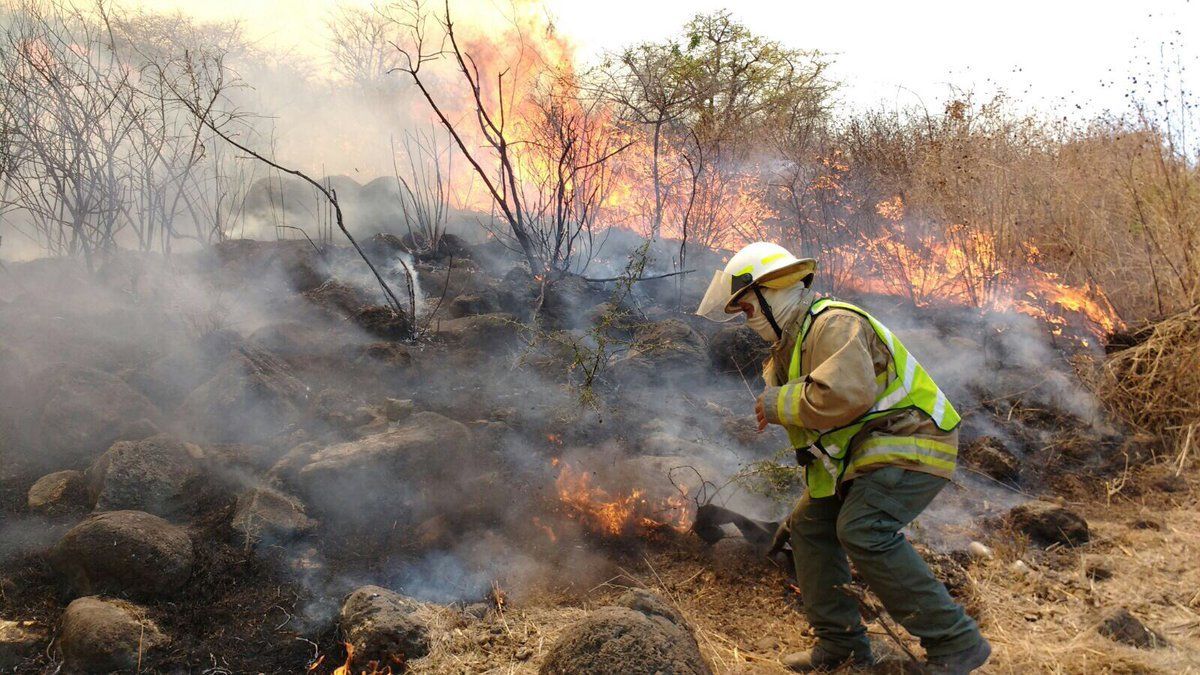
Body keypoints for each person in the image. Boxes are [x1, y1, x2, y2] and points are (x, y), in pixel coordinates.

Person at [696, 242, 991, 674]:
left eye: (746, 309)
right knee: (811, 528)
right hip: (867, 454)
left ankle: (956, 641)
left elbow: (847, 393)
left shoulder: (833, 323)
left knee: (863, 530)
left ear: (770, 293)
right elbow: (821, 437)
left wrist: (779, 403)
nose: (748, 321)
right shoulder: (792, 345)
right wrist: (807, 504)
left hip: (909, 442)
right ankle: (841, 648)